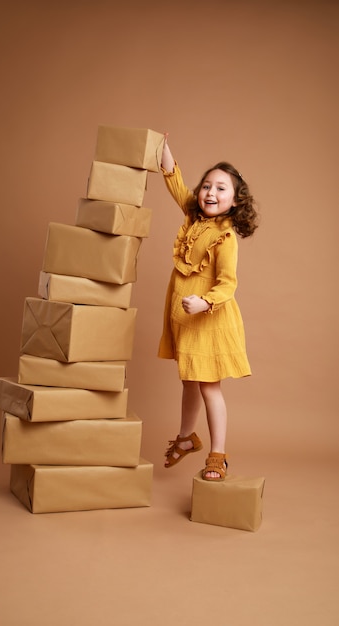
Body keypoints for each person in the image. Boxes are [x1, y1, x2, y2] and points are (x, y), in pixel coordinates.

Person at [159, 134, 258, 480]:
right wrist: (163, 148)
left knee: (208, 387)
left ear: (234, 202)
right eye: (206, 186)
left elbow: (228, 283)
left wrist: (204, 301)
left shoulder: (224, 236)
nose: (210, 193)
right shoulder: (194, 216)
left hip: (208, 319)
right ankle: (186, 438)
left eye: (221, 189)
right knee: (189, 380)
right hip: (185, 318)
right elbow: (175, 184)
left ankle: (218, 454)